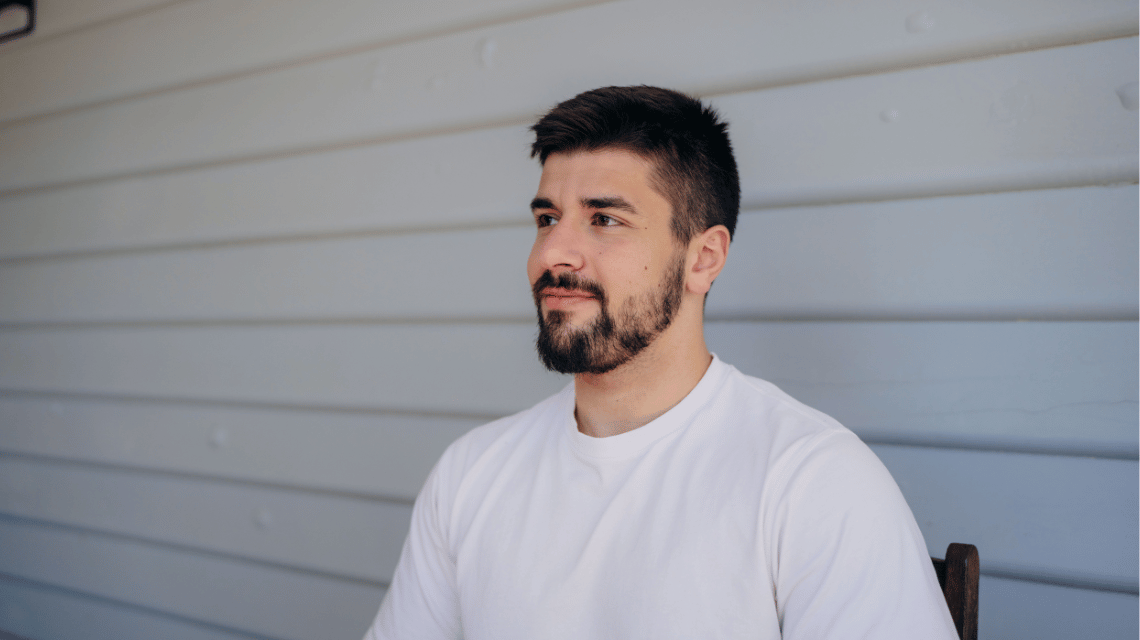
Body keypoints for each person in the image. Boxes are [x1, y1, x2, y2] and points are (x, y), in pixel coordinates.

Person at [364, 85, 958, 639]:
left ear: (703, 258)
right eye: (547, 218)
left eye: (604, 219)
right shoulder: (471, 475)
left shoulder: (812, 482)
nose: (552, 253)